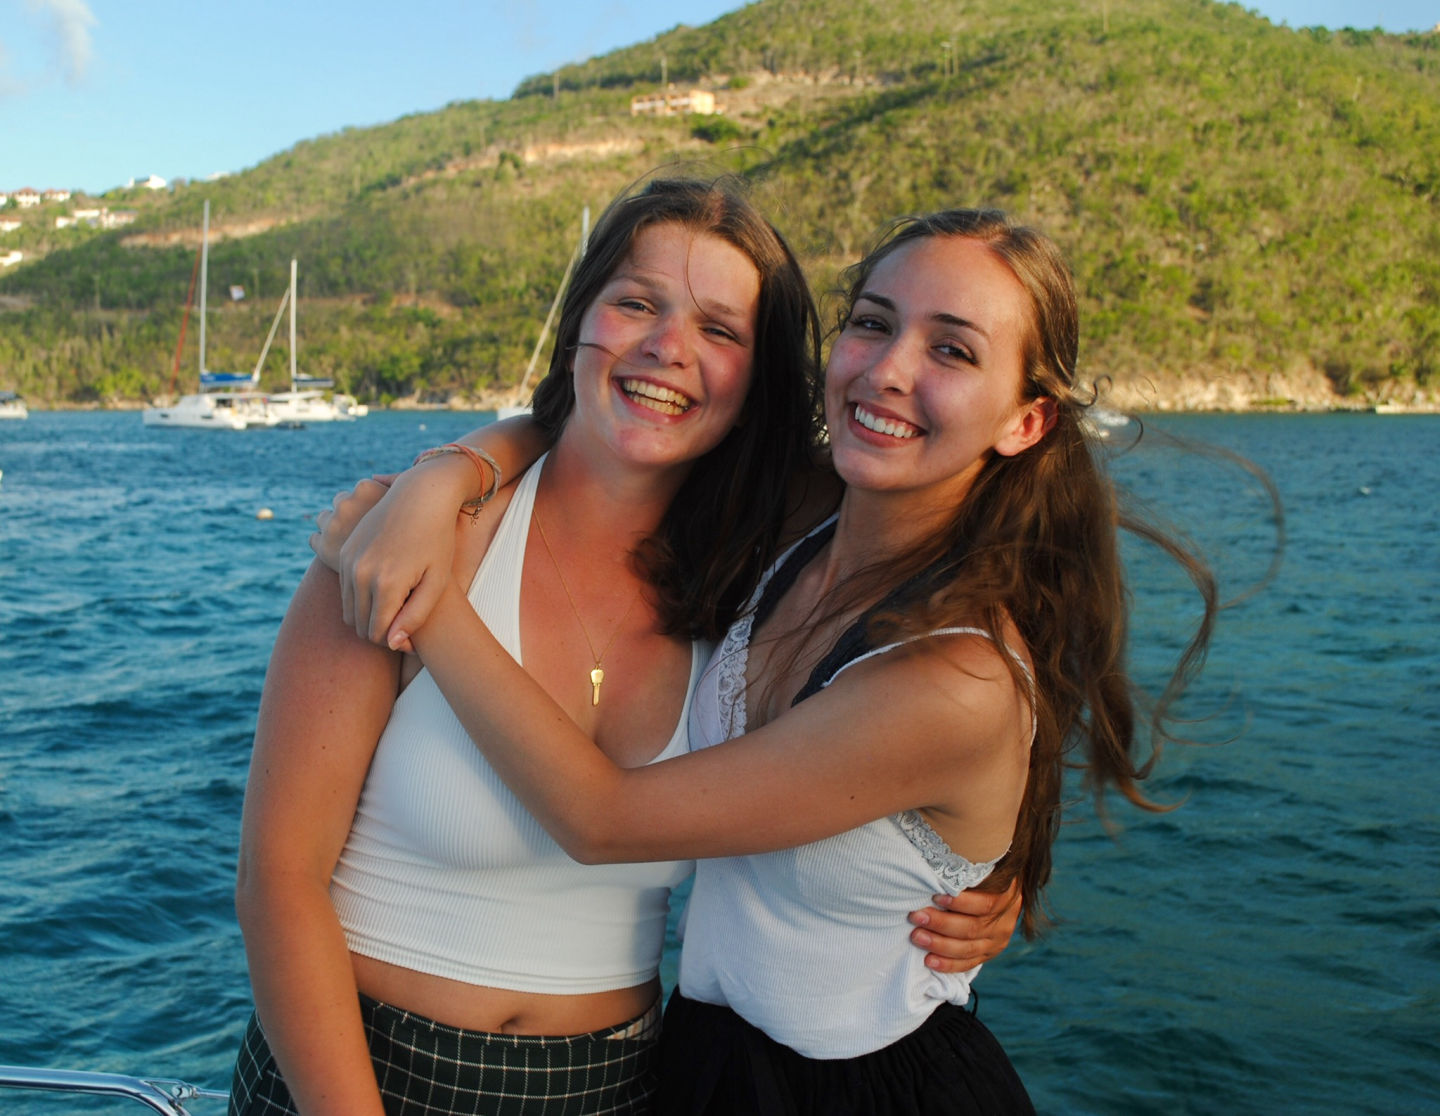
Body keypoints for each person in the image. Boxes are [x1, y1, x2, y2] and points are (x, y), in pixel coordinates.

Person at [320, 207, 1218, 1113]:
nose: (889, 369)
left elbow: (603, 820)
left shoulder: (952, 681)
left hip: (866, 1093)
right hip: (702, 1064)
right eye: (873, 322)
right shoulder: (801, 521)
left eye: (952, 350)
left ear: (1026, 421)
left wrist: (425, 599)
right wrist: (446, 474)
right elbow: (600, 415)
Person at [231, 179, 1018, 1116]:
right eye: (638, 304)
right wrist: (446, 474)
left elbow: (964, 690)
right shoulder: (410, 547)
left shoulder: (762, 579)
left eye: (719, 330)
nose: (668, 348)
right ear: (579, 325)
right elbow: (279, 879)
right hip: (363, 1074)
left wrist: (988, 870)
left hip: (620, 1088)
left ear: (756, 381)